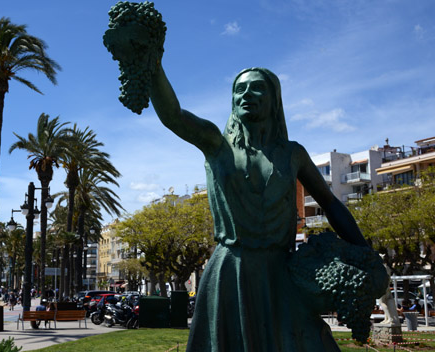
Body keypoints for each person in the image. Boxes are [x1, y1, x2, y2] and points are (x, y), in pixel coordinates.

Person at [116, 46, 373, 350]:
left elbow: (329, 203)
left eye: (257, 88)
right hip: (231, 271)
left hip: (281, 270)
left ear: (274, 100)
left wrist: (363, 250)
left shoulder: (293, 155)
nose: (246, 95)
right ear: (233, 101)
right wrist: (153, 63)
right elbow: (174, 115)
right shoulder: (217, 146)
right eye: (240, 90)